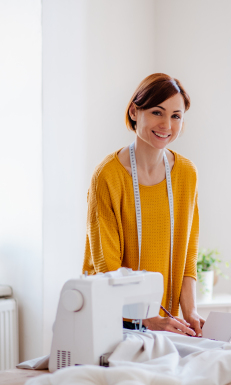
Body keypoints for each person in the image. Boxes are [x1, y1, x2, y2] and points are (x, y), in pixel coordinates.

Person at [82, 73, 205, 337]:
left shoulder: (186, 174)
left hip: (164, 325)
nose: (167, 124)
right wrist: (147, 318)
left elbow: (187, 254)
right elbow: (107, 266)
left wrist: (191, 312)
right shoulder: (108, 176)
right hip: (112, 320)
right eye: (157, 112)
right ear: (135, 112)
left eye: (176, 116)